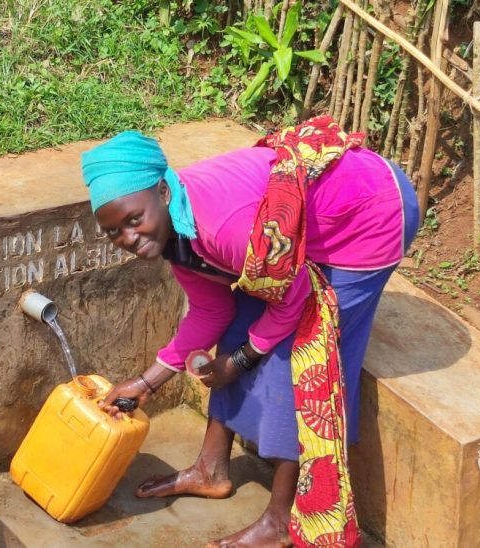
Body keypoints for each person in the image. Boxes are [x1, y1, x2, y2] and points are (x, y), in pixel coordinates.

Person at [80, 117, 419, 548]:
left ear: (162, 192)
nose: (128, 237)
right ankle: (211, 469)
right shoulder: (177, 229)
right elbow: (210, 308)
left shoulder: (222, 226)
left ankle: (281, 521)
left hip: (370, 214)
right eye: (113, 232)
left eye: (133, 219)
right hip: (299, 228)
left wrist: (240, 361)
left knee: (298, 354)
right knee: (241, 318)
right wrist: (147, 383)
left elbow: (293, 300)